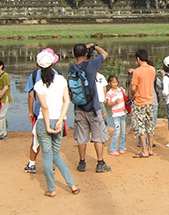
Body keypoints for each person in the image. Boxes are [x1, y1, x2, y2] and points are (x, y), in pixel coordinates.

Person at [33, 49, 79, 197]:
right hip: (59, 121)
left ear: (39, 66)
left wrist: (47, 126)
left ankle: (51, 189)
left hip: (43, 121)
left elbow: (44, 108)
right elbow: (67, 101)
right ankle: (71, 184)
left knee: (47, 155)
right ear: (53, 63)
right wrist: (60, 120)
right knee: (56, 155)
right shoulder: (61, 80)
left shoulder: (39, 85)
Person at [69, 43, 111, 173]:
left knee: (81, 137)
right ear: (86, 54)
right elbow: (105, 54)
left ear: (74, 55)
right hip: (93, 107)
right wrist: (95, 45)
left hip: (78, 107)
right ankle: (100, 162)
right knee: (97, 136)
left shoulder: (71, 68)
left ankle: (82, 162)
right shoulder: (91, 65)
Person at [24, 48, 59, 173]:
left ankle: (32, 164)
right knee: (53, 140)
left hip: (39, 113)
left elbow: (31, 95)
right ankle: (51, 165)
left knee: (36, 139)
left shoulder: (34, 76)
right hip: (55, 113)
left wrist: (30, 111)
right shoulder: (58, 75)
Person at [129, 48, 157, 158]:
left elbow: (133, 88)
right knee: (150, 126)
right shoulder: (152, 69)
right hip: (150, 101)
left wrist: (132, 94)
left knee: (140, 127)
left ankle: (144, 150)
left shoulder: (137, 71)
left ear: (138, 58)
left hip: (140, 102)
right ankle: (150, 149)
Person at [105, 75, 127, 155]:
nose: (115, 84)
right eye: (113, 82)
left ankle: (122, 147)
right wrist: (114, 102)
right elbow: (109, 104)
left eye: (116, 82)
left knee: (123, 132)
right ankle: (112, 149)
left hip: (123, 113)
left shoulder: (121, 90)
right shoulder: (109, 93)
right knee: (117, 131)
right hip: (116, 114)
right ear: (109, 83)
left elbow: (126, 97)